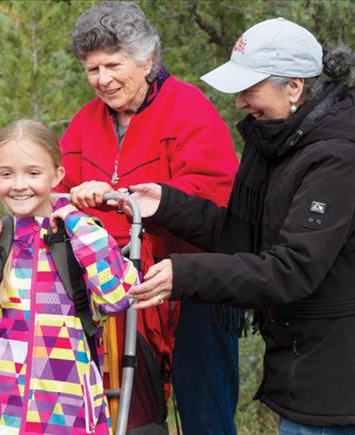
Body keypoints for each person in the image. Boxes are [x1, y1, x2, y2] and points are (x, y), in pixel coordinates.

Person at [127, 18, 355, 434]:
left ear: (294, 86)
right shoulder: (281, 141)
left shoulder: (335, 157)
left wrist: (185, 274)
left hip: (339, 378)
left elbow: (291, 269)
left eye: (250, 89)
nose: (239, 103)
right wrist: (164, 205)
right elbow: (245, 235)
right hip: (307, 366)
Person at [58, 1, 241, 433]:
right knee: (130, 416)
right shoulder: (85, 123)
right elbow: (58, 188)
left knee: (204, 413)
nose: (102, 80)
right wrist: (73, 198)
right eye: (92, 69)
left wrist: (122, 199)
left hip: (192, 283)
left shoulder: (188, 108)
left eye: (113, 65)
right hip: (116, 289)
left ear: (147, 60)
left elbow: (216, 195)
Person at [0, 119, 139, 435]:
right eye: (7, 173)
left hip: (71, 418)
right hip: (6, 418)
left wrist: (78, 222)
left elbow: (121, 296)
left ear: (56, 175)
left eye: (33, 173)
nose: (19, 184)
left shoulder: (79, 239)